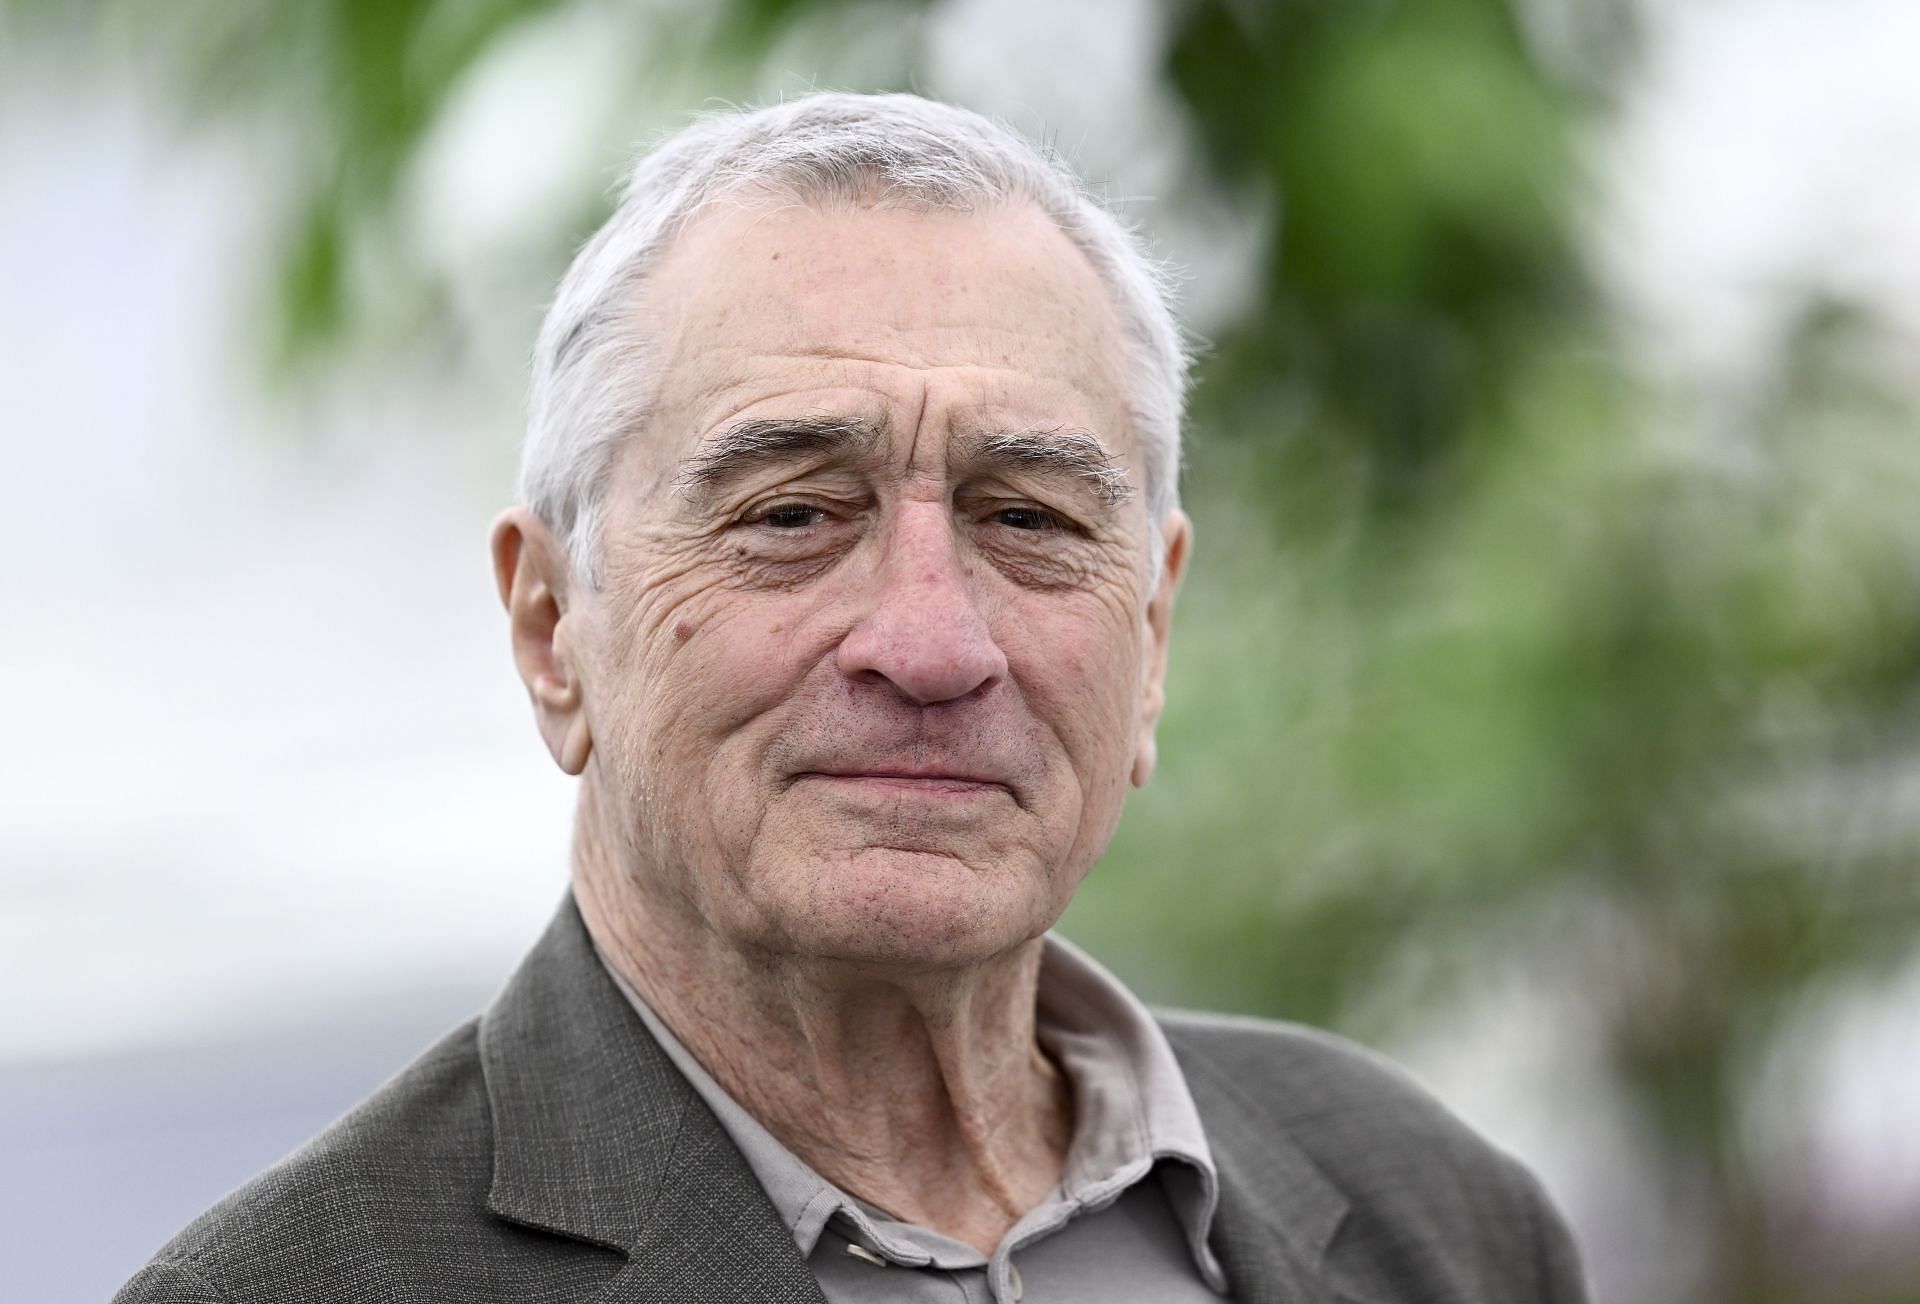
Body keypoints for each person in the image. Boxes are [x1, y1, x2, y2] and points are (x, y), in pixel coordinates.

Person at [117, 92, 1588, 1304]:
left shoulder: (1436, 1219)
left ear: (1154, 628)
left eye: (1029, 519)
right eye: (792, 513)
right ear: (553, 627)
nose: (933, 644)